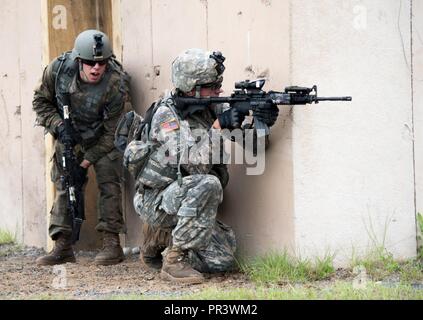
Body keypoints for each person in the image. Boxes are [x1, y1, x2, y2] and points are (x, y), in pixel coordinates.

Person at [123, 48, 278, 283]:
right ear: (191, 87)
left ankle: (161, 238)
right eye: (212, 86)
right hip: (156, 200)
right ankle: (175, 260)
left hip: (184, 199)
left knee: (221, 260)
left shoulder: (210, 106)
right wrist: (217, 128)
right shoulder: (166, 116)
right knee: (209, 183)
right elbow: (195, 166)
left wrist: (261, 121)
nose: (219, 91)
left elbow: (256, 147)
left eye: (218, 84)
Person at [33, 29, 132, 266]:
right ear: (79, 61)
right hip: (69, 134)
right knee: (65, 182)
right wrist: (58, 126)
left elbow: (114, 132)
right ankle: (62, 244)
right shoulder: (57, 70)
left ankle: (111, 242)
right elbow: (40, 102)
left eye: (101, 63)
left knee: (109, 179)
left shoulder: (116, 83)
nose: (96, 68)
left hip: (102, 139)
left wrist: (85, 162)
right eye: (89, 63)